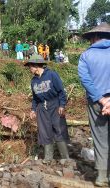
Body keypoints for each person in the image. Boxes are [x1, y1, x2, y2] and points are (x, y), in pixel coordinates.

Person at [78, 22, 110, 187]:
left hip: (96, 103)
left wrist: (102, 99)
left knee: (100, 138)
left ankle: (102, 176)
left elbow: (85, 79)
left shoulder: (86, 56)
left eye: (91, 38)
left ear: (96, 36)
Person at [25, 54, 70, 163]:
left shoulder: (51, 75)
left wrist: (62, 105)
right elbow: (35, 98)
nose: (29, 69)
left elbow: (61, 91)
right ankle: (48, 158)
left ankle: (65, 158)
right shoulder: (33, 81)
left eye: (30, 66)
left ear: (36, 65)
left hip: (55, 105)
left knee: (59, 129)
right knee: (44, 131)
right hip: (42, 108)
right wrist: (33, 110)